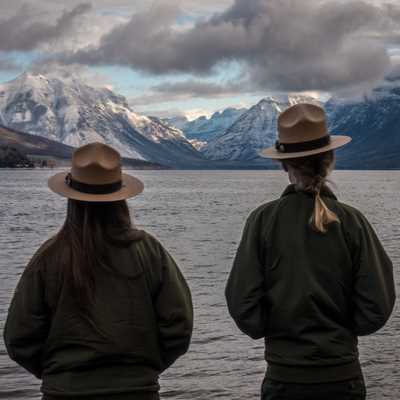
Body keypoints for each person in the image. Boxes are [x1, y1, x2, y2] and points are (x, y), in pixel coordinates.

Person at [225, 103, 396, 400]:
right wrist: (340, 334)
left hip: (283, 379)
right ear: (329, 159)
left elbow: (243, 304)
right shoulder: (352, 221)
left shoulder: (262, 220)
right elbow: (376, 305)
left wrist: (278, 333)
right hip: (343, 378)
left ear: (284, 164)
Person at [4, 142, 193, 400]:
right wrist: (141, 371)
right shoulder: (149, 251)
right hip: (138, 393)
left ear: (71, 198)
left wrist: (60, 376)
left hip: (64, 394)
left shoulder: (49, 256)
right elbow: (179, 326)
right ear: (121, 198)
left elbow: (19, 336)